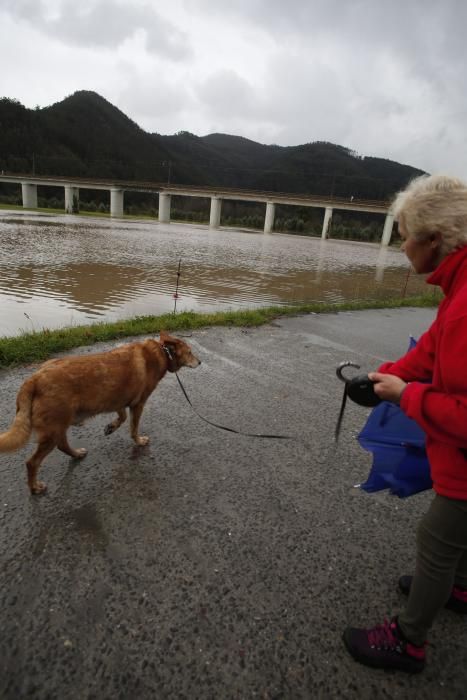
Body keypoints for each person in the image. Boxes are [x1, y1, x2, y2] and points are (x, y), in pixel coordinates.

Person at [343, 173, 467, 673]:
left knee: (437, 540)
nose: (401, 246)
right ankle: (459, 588)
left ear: (433, 239)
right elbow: (432, 353)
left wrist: (407, 396)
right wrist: (382, 377)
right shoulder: (458, 291)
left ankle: (408, 642)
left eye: (404, 236)